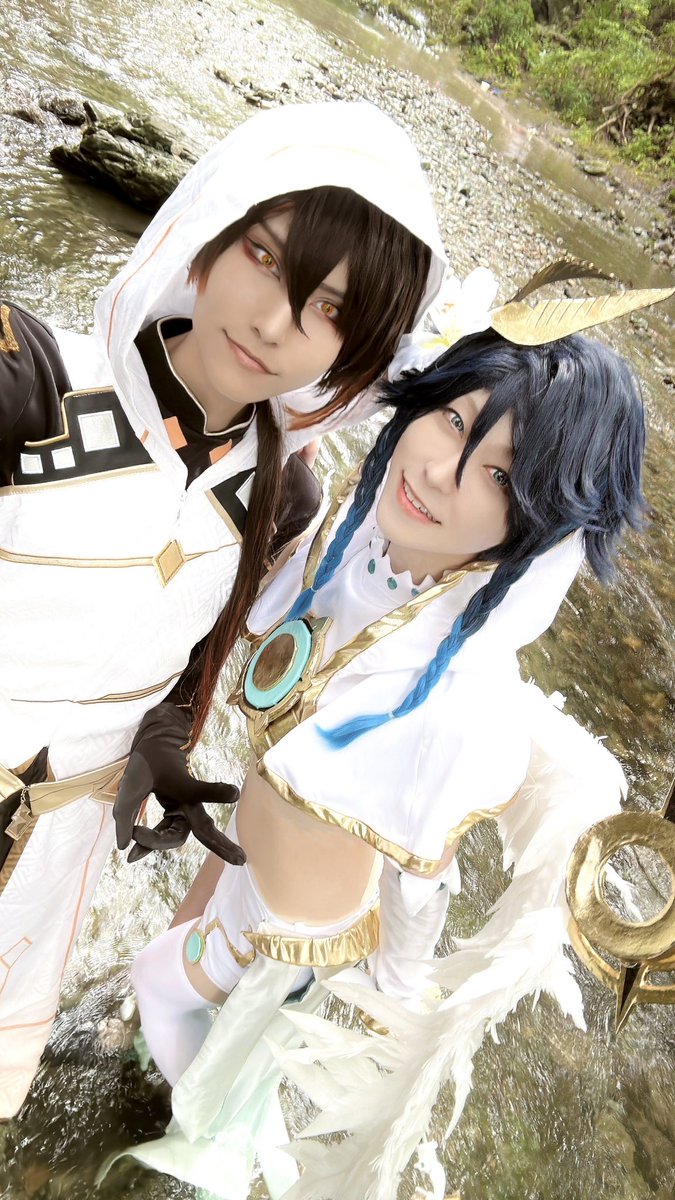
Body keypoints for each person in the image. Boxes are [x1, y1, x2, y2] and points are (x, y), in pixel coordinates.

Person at [117, 274, 666, 1199]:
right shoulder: (363, 545)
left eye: (500, 475)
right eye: (451, 420)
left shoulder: (458, 705)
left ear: (542, 525)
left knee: (192, 1056)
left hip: (284, 938)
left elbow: (422, 871)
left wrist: (398, 1005)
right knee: (169, 1015)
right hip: (251, 851)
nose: (441, 473)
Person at [0, 98, 446, 1119]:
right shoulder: (33, 377)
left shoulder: (285, 497)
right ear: (206, 230)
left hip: (54, 847)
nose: (275, 322)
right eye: (265, 257)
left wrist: (161, 745)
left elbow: (198, 657)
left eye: (329, 310)